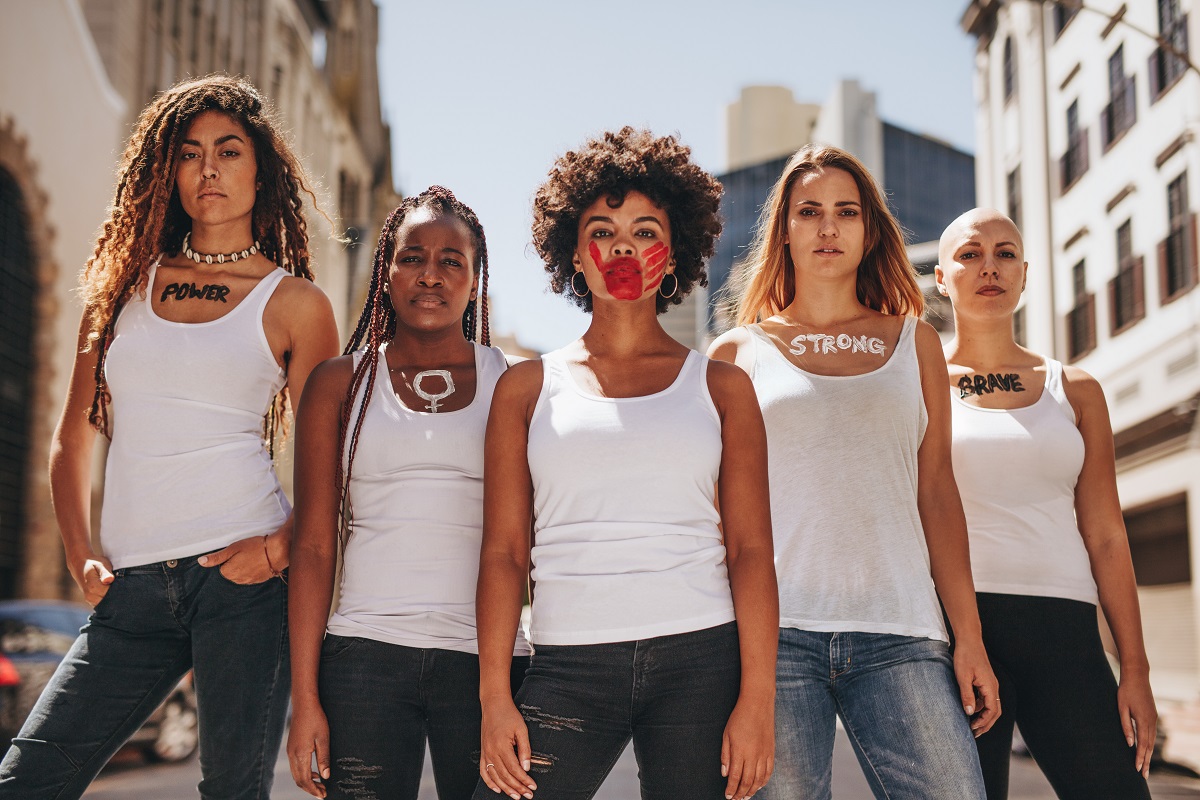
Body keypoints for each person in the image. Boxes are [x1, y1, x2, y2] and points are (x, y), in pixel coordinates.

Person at [0, 75, 340, 799]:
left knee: (230, 790)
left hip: (241, 584)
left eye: (228, 151)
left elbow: (331, 459)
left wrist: (277, 548)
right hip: (133, 592)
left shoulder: (296, 304)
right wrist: (79, 552)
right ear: (169, 170)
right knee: (28, 778)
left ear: (261, 172)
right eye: (190, 153)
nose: (208, 169)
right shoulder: (121, 289)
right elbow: (71, 439)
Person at [473, 127, 778, 800]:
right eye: (603, 231)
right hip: (567, 661)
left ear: (673, 257)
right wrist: (496, 697)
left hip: (701, 659)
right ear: (575, 256)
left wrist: (757, 700)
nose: (623, 248)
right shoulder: (524, 389)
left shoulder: (723, 389)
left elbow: (752, 550)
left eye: (645, 232)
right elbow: (502, 553)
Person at [709, 144, 999, 800]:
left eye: (846, 211)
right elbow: (720, 516)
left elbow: (937, 493)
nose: (828, 226)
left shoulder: (914, 341)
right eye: (809, 212)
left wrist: (969, 636)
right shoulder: (735, 354)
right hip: (773, 642)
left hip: (902, 631)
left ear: (870, 231)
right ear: (784, 228)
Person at [287, 186, 530, 799]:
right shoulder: (340, 383)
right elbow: (314, 546)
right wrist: (306, 698)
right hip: (365, 657)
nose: (431, 275)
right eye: (413, 256)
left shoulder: (516, 383)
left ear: (475, 281)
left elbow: (535, 539)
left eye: (453, 261)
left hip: (489, 664)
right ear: (386, 269)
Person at [935, 207, 1156, 799]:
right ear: (941, 277)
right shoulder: (917, 382)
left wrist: (1134, 668)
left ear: (1026, 274)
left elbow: (1107, 535)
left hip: (1066, 631)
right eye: (970, 254)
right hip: (958, 633)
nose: (990, 267)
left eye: (1005, 254)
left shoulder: (1075, 388)